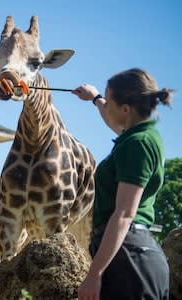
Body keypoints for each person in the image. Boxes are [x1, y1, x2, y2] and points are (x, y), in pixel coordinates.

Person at [72, 68, 172, 300]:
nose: (106, 106)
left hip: (129, 258)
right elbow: (114, 120)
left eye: (110, 101)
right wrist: (96, 98)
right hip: (128, 254)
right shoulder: (140, 135)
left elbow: (125, 214)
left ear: (126, 109)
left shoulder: (137, 143)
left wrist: (94, 274)